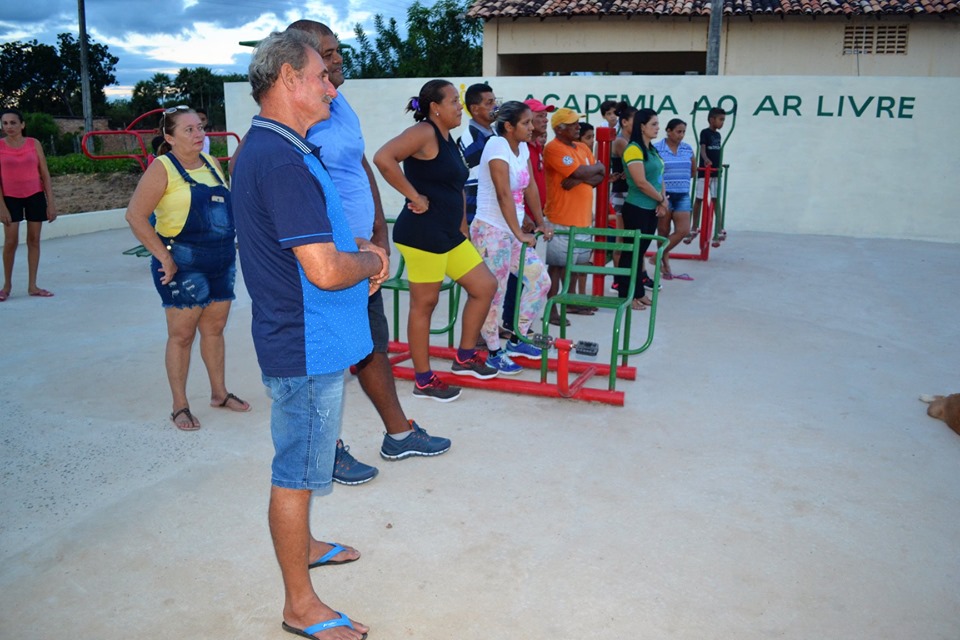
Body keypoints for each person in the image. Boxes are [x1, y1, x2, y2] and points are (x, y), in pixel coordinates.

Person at [232, 29, 388, 640]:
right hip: (304, 344)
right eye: (322, 75)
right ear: (288, 80)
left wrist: (359, 253)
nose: (332, 85)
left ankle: (308, 544)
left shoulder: (277, 147)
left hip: (309, 338)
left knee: (306, 460)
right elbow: (323, 270)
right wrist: (374, 262)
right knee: (295, 472)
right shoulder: (280, 157)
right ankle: (300, 605)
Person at [289, 19, 451, 485]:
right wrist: (333, 245)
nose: (337, 59)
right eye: (327, 53)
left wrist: (379, 229)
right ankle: (325, 450)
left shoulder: (339, 105)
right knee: (327, 355)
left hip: (362, 258)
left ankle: (398, 434)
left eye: (338, 51)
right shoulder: (297, 118)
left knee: (370, 345)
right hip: (330, 260)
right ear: (300, 62)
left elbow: (360, 165)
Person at [125, 105, 250, 431]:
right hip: (182, 264)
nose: (199, 134)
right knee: (181, 336)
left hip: (220, 261)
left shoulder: (210, 163)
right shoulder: (162, 168)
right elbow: (135, 216)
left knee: (214, 329)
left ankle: (219, 394)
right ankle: (179, 406)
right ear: (169, 136)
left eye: (200, 127)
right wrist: (164, 258)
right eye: (189, 130)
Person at [374, 80, 499, 402]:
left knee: (484, 286)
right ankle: (424, 380)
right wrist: (414, 195)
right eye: (455, 101)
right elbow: (383, 158)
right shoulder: (424, 133)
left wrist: (462, 227)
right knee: (425, 305)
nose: (460, 107)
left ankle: (465, 356)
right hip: (422, 233)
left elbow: (457, 185)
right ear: (435, 108)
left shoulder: (449, 140)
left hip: (449, 234)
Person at [470, 101, 552, 374]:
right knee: (496, 293)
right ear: (509, 126)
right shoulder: (496, 146)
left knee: (541, 281)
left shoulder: (523, 149)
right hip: (492, 232)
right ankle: (493, 351)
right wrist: (519, 233)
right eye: (526, 123)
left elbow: (529, 189)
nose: (532, 128)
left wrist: (540, 222)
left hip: (512, 232)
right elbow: (503, 193)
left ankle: (518, 338)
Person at [542, 107, 605, 325]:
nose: (578, 127)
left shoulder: (581, 147)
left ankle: (569, 301)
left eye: (578, 122)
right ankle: (551, 309)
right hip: (561, 216)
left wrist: (580, 178)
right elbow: (586, 172)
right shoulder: (553, 148)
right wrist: (588, 172)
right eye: (573, 124)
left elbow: (601, 175)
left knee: (576, 265)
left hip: (583, 218)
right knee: (557, 267)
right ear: (559, 129)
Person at [501, 97, 554, 336]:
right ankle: (511, 324)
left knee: (524, 277)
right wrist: (522, 221)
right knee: (511, 279)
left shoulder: (531, 146)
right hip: (513, 224)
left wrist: (541, 219)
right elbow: (509, 189)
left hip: (528, 221)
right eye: (537, 116)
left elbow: (532, 186)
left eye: (544, 116)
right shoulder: (509, 147)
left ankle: (517, 326)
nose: (543, 120)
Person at [1, 107, 57, 301]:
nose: (9, 127)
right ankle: (6, 286)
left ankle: (32, 285)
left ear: (22, 125)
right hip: (10, 198)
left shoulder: (34, 144)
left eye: (13, 123)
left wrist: (51, 203)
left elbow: (45, 173)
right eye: (5, 123)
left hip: (34, 195)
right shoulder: (0, 146)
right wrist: (1, 207)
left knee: (34, 240)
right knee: (10, 241)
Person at [616, 108, 667, 311]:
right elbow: (641, 182)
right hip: (637, 207)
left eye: (657, 123)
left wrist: (662, 201)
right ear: (642, 126)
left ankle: (638, 293)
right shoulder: (633, 149)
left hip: (651, 208)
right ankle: (625, 297)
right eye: (653, 124)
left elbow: (659, 176)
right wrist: (661, 199)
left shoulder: (651, 149)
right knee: (631, 253)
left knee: (640, 253)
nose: (657, 128)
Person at [654, 118, 696, 280]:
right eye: (678, 131)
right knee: (663, 232)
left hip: (682, 194)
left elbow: (693, 170)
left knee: (683, 230)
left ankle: (656, 256)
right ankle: (665, 265)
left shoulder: (687, 149)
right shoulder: (657, 148)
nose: (681, 135)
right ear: (669, 131)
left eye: (684, 132)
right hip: (664, 195)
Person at [457, 83, 498, 225]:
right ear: (475, 109)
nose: (495, 107)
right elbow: (487, 176)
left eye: (495, 101)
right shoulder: (470, 138)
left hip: (494, 211)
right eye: (489, 103)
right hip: (479, 213)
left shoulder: (496, 132)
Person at [609, 103, 637, 288]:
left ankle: (628, 279)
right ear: (625, 122)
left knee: (631, 238)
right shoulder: (621, 141)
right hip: (622, 192)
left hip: (628, 191)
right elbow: (635, 164)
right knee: (623, 238)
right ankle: (619, 281)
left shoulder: (629, 140)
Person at [688, 107, 726, 243]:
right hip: (704, 172)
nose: (722, 123)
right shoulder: (705, 133)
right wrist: (705, 159)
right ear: (712, 120)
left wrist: (719, 163)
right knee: (699, 199)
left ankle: (719, 227)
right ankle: (694, 226)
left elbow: (717, 151)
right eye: (720, 120)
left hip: (715, 172)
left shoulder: (718, 135)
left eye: (723, 120)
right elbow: (702, 148)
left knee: (716, 199)